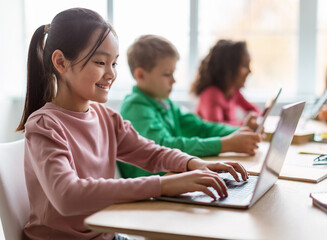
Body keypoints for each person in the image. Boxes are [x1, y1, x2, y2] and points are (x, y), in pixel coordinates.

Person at [17, 8, 250, 240]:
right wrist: (164, 184)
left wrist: (193, 164)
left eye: (114, 64)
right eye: (100, 62)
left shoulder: (107, 118)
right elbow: (67, 196)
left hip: (106, 235)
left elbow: (152, 152)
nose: (111, 74)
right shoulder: (44, 125)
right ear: (60, 62)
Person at [118, 35, 261, 179]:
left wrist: (242, 131)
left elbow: (201, 127)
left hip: (171, 178)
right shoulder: (135, 106)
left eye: (173, 73)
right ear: (141, 75)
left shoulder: (166, 104)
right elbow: (165, 147)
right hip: (150, 189)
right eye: (167, 74)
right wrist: (225, 144)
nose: (174, 80)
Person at [190, 39, 261, 130]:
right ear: (228, 68)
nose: (250, 71)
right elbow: (216, 128)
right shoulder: (211, 94)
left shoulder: (233, 91)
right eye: (244, 66)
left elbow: (254, 110)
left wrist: (252, 119)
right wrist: (244, 124)